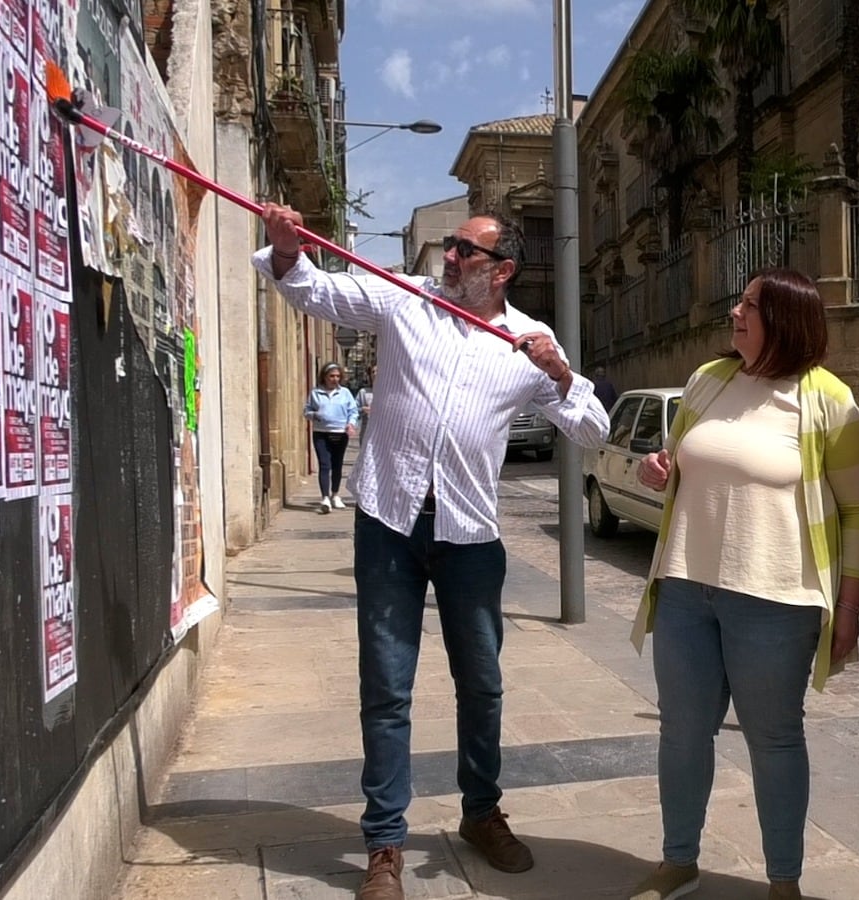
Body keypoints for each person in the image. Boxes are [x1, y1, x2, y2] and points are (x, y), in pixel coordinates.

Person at [254, 203, 611, 900]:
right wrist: (287, 248)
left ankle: (482, 812)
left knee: (481, 684)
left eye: (465, 251)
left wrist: (561, 376)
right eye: (449, 246)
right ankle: (384, 843)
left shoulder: (531, 340)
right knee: (387, 687)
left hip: (471, 538)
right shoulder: (407, 300)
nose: (448, 257)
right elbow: (318, 291)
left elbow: (593, 429)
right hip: (389, 522)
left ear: (502, 269)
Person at [628, 268, 859, 900]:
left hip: (777, 600)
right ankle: (678, 862)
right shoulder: (706, 382)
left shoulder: (828, 399)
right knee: (681, 732)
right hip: (685, 587)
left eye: (750, 305)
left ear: (787, 320)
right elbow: (677, 463)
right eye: (738, 300)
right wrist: (659, 469)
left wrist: (848, 606)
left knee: (774, 739)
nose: (735, 312)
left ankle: (783, 882)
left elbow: (854, 511)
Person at [305, 361, 359, 512]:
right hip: (321, 433)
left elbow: (353, 410)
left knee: (337, 464)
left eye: (337, 376)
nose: (334, 379)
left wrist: (351, 423)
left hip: (340, 433)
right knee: (324, 464)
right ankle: (325, 498)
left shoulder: (345, 393)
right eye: (331, 376)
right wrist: (314, 415)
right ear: (324, 377)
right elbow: (306, 410)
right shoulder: (315, 393)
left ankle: (335, 494)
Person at [356, 364, 377, 439]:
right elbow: (353, 411)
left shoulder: (390, 393)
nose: (375, 374)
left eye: (378, 371)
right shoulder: (363, 392)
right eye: (373, 372)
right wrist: (362, 409)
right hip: (367, 434)